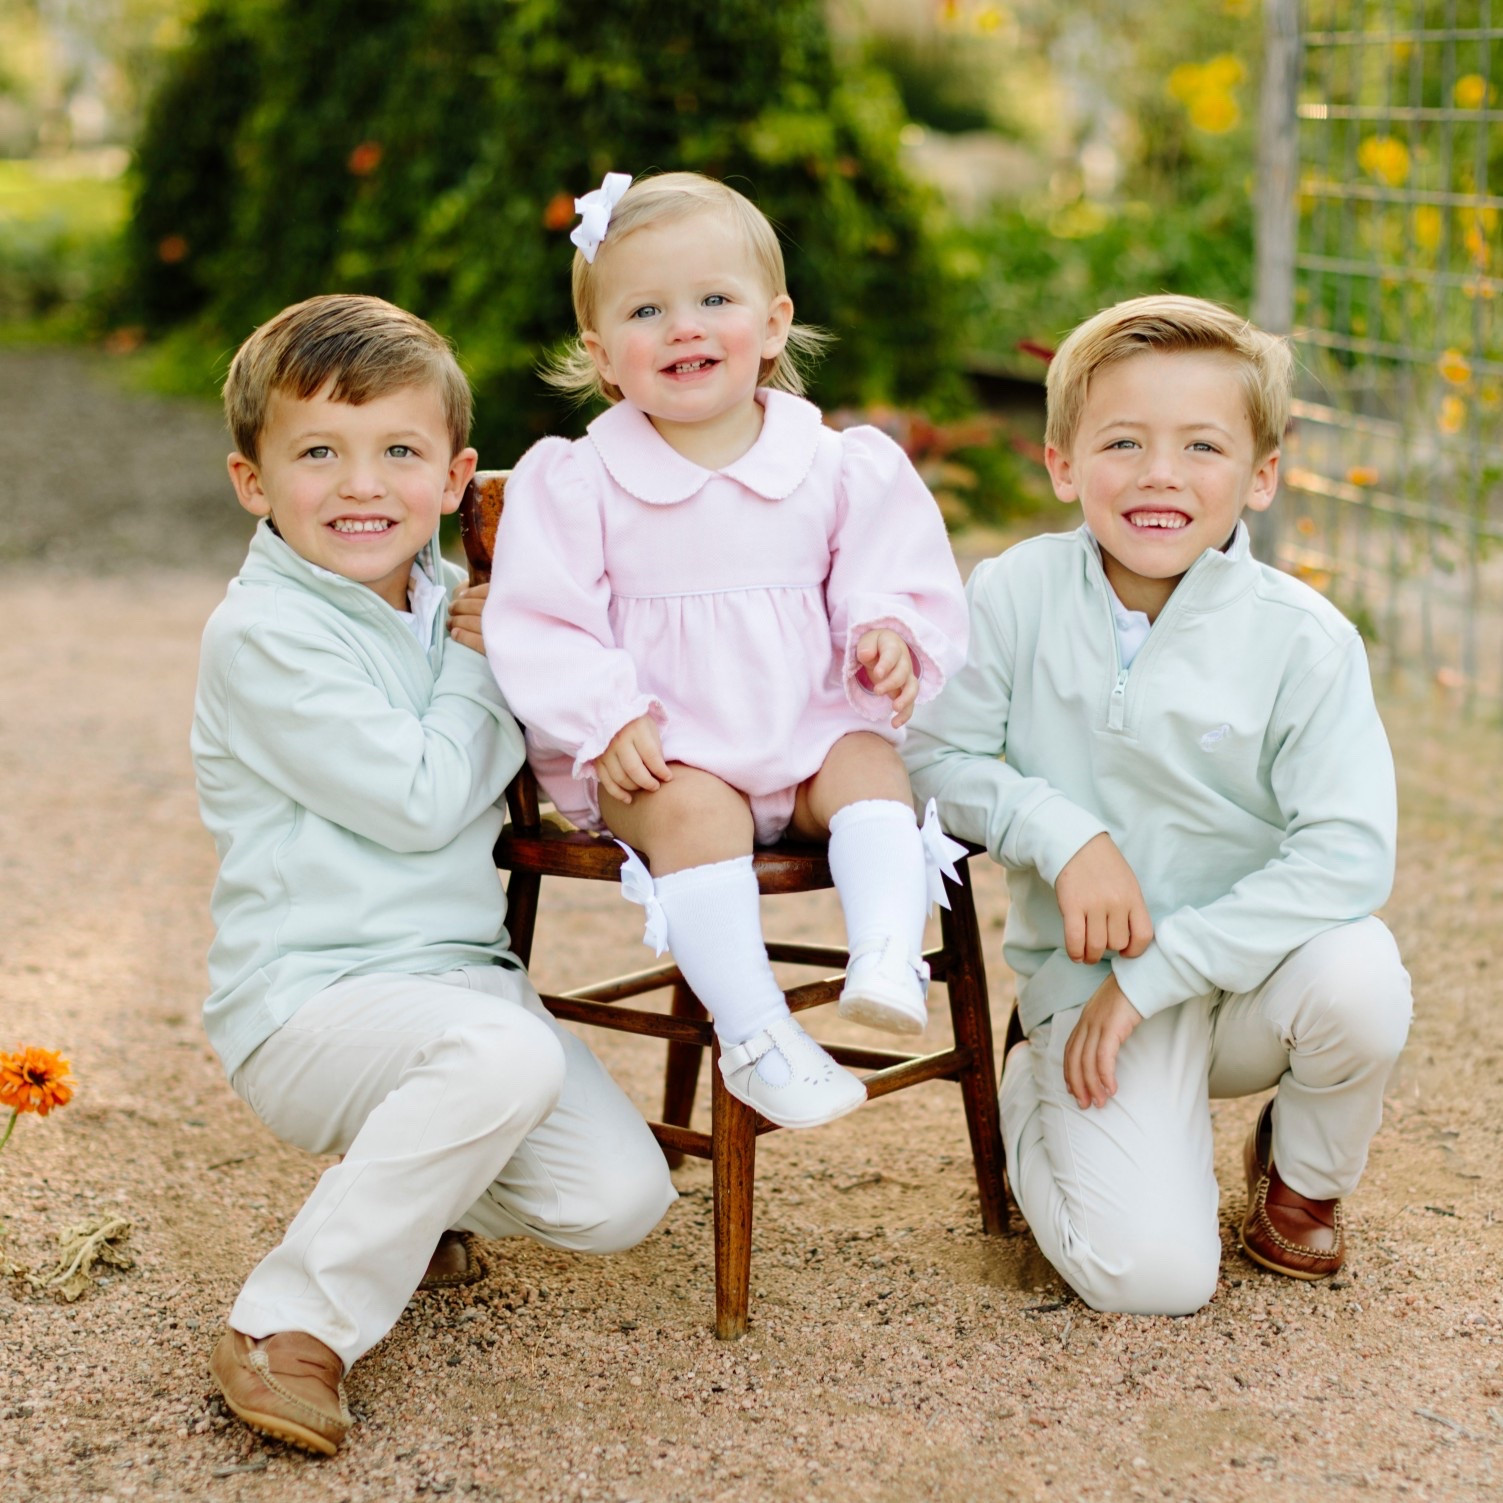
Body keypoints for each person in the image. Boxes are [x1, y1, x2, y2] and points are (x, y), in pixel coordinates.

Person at [192, 293, 675, 1455]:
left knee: (622, 1200)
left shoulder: (436, 602)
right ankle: (289, 1325)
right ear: (254, 482)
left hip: (461, 990)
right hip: (311, 1003)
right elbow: (416, 804)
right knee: (499, 1051)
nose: (364, 487)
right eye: (319, 454)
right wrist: (486, 661)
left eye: (399, 453)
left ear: (456, 476)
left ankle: (404, 1199)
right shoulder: (263, 633)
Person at [905, 294, 1412, 1315]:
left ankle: (1300, 1187)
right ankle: (1034, 1087)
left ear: (1261, 476)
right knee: (1154, 1282)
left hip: (1247, 985)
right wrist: (1062, 830)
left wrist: (1165, 970)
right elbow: (931, 756)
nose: (1159, 475)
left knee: (1362, 979)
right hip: (1089, 989)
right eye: (1122, 442)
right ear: (1061, 462)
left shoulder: (1304, 640)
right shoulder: (1014, 593)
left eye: (1203, 447)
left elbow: (1349, 858)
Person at [468, 171, 968, 1131]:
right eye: (646, 310)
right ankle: (757, 1036)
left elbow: (894, 568)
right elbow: (541, 618)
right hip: (664, 751)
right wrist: (602, 715)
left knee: (869, 764)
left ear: (773, 323)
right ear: (603, 355)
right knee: (695, 811)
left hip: (806, 729)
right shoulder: (578, 482)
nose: (684, 327)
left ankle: (884, 956)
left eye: (713, 301)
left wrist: (887, 634)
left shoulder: (834, 463)